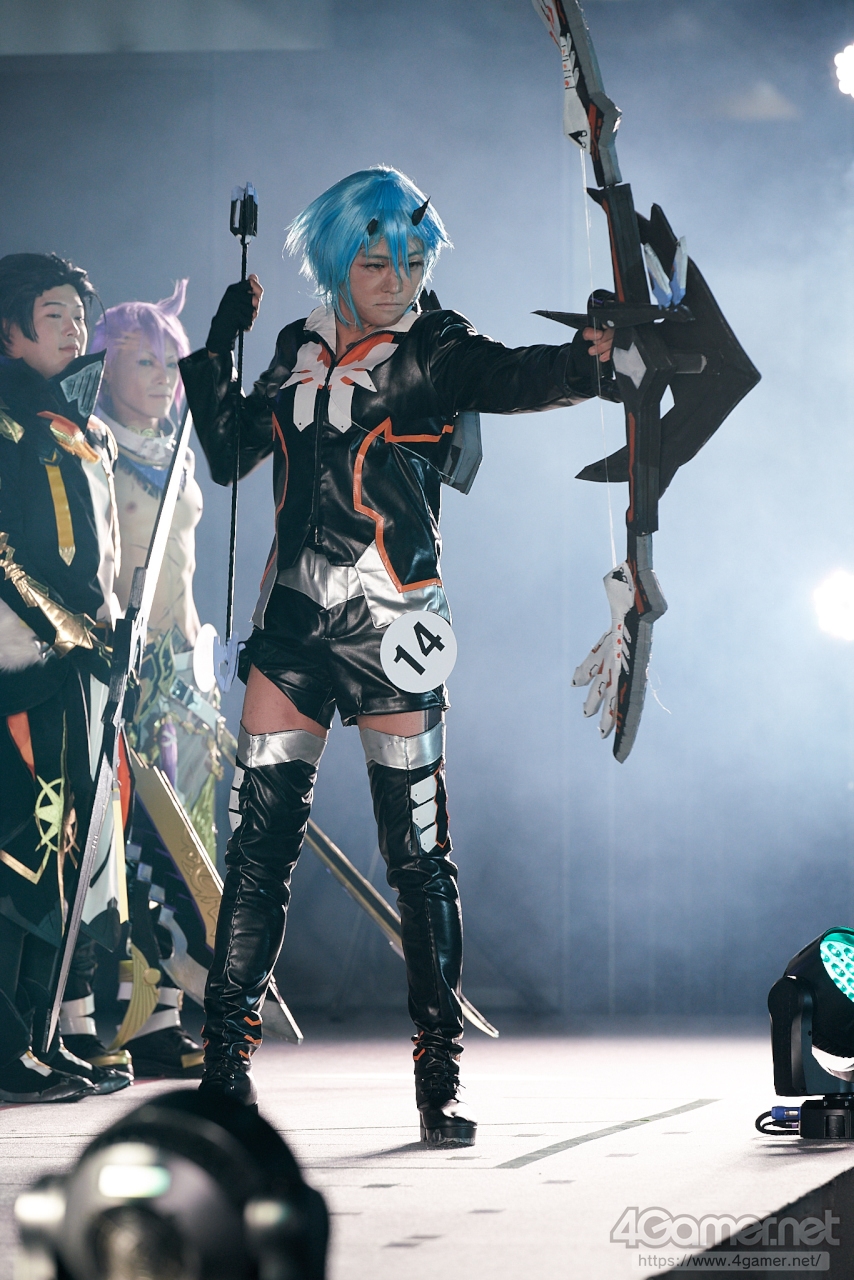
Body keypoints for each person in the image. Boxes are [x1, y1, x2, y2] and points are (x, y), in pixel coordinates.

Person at [180, 166, 614, 1144]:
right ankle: (224, 1066)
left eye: (413, 261)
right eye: (376, 262)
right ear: (337, 262)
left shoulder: (436, 344)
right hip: (293, 622)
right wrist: (215, 346)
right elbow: (230, 451)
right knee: (256, 850)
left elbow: (518, 376)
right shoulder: (295, 347)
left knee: (417, 855)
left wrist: (585, 359)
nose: (398, 279)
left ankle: (437, 1077)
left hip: (397, 624)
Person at [59, 282, 233, 1080]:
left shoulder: (179, 446)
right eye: (144, 363)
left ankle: (161, 1022)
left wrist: (200, 660)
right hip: (117, 667)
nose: (164, 378)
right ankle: (94, 1017)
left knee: (186, 850)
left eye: (171, 362)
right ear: (106, 366)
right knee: (119, 852)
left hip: (183, 674)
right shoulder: (88, 444)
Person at [0, 253, 131, 1101]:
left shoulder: (85, 426)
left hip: (81, 664)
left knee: (62, 852)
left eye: (80, 315)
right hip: (19, 663)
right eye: (54, 314)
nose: (75, 328)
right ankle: (7, 1046)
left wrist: (107, 629)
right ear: (9, 331)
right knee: (19, 849)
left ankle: (37, 1035)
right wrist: (64, 627)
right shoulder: (6, 423)